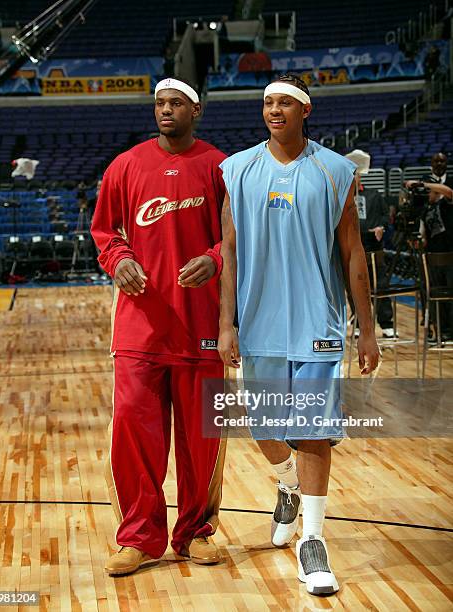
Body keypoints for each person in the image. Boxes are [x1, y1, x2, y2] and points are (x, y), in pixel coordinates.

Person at [218, 73, 379, 596]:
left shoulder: (334, 171)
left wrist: (367, 329)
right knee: (264, 427)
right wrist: (226, 323)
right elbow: (230, 254)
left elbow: (354, 252)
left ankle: (313, 539)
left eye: (285, 102)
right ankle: (286, 481)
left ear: (305, 110)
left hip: (319, 322)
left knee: (311, 428)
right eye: (267, 102)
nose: (274, 110)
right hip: (259, 321)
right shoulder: (237, 170)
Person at [91, 77, 227, 576]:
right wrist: (118, 257)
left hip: (203, 327)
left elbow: (237, 237)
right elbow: (105, 232)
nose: (165, 110)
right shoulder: (125, 166)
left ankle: (197, 532)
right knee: (133, 432)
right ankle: (139, 537)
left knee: (204, 437)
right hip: (139, 328)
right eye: (159, 103)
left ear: (197, 110)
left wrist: (214, 259)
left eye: (176, 103)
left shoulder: (219, 167)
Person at [405, 152, 453, 341]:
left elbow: (449, 192)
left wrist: (423, 185)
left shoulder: (445, 183)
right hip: (431, 249)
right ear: (431, 163)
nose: (439, 163)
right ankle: (437, 330)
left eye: (442, 160)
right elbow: (421, 215)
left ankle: (450, 330)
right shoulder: (424, 183)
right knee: (432, 291)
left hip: (450, 247)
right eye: (436, 160)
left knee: (450, 291)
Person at [347, 157, 394, 338]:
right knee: (355, 287)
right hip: (354, 246)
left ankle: (387, 323)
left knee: (380, 284)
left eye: (355, 176)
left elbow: (385, 216)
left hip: (374, 245)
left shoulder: (374, 194)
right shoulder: (343, 199)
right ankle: (359, 322)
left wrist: (381, 227)